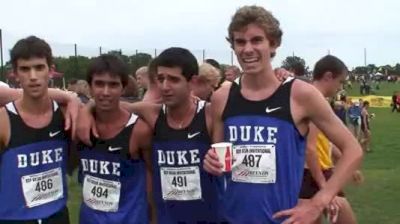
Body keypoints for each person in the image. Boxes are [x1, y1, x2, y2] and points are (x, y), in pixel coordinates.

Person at [203, 6, 362, 224]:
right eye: (240, 42)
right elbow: (219, 158)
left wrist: (318, 202)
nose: (247, 49)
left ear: (274, 44)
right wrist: (211, 161)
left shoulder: (300, 94)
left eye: (257, 40)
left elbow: (353, 150)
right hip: (230, 218)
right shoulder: (222, 97)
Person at [77, 47, 222, 223]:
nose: (165, 87)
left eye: (174, 80)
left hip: (208, 217)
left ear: (192, 82)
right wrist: (87, 109)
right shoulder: (152, 113)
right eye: (161, 79)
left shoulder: (209, 115)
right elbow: (110, 103)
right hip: (166, 219)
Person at [0, 36, 73, 223]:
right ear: (14, 74)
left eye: (39, 67)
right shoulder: (3, 120)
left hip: (57, 217)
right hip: (14, 219)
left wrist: (75, 100)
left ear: (51, 70)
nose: (33, 76)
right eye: (25, 69)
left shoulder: (66, 114)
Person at [77, 55, 153, 224]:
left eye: (113, 85)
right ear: (89, 87)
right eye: (99, 84)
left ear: (123, 88)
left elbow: (151, 176)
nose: (105, 92)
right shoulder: (78, 126)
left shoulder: (139, 130)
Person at [298, 55, 360, 224]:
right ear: (328, 76)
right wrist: (324, 186)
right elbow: (309, 148)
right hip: (312, 174)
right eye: (340, 82)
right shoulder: (310, 100)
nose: (340, 87)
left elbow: (324, 141)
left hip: (318, 172)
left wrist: (346, 163)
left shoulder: (316, 100)